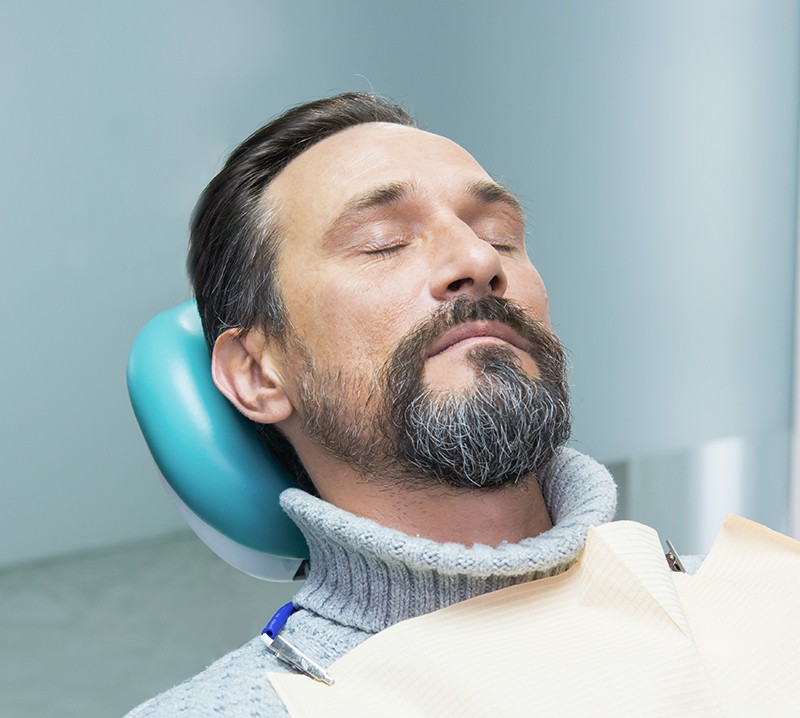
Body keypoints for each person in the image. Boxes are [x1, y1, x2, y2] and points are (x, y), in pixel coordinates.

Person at [126, 93, 619, 717]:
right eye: (384, 242)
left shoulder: (762, 604)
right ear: (257, 374)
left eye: (501, 235)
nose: (479, 259)